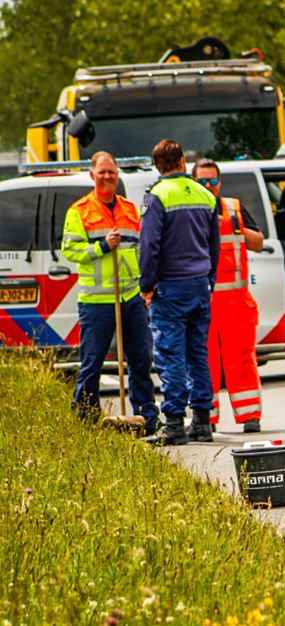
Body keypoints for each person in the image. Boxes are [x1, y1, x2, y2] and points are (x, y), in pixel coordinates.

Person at [62, 151, 160, 435]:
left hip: (130, 297)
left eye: (112, 172)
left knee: (140, 360)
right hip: (96, 301)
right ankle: (86, 421)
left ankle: (147, 419)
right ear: (92, 175)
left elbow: (142, 250)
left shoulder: (130, 210)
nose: (107, 177)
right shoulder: (79, 211)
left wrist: (146, 285)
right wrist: (102, 247)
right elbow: (70, 251)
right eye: (102, 172)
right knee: (92, 362)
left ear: (118, 176)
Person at [139, 140, 220, 445]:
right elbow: (214, 245)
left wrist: (146, 285)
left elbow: (149, 246)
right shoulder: (204, 193)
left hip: (170, 288)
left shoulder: (157, 196)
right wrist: (208, 279)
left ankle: (173, 424)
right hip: (200, 285)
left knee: (170, 354)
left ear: (158, 165)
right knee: (198, 353)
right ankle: (202, 422)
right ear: (183, 161)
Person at [190, 158, 265, 433]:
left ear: (220, 182)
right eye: (202, 181)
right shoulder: (189, 211)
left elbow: (258, 242)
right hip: (203, 302)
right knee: (203, 359)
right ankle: (205, 419)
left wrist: (235, 228)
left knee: (242, 359)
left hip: (236, 303)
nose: (209, 186)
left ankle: (250, 416)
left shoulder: (234, 208)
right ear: (194, 182)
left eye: (213, 181)